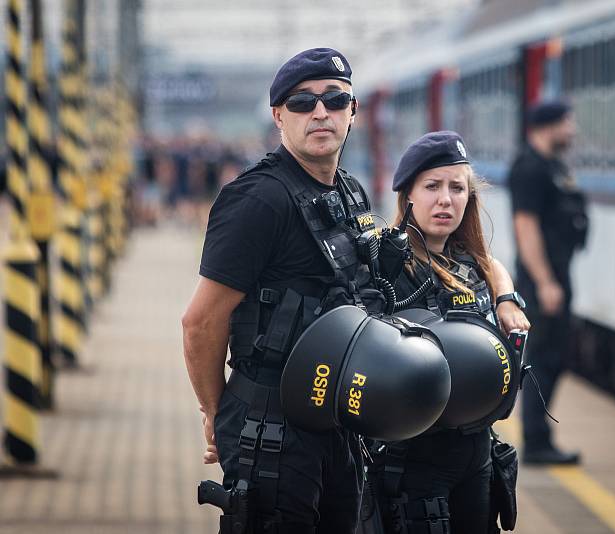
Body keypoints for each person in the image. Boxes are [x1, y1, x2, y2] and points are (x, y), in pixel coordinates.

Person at [182, 48, 381, 533]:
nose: (320, 112)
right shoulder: (256, 199)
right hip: (270, 422)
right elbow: (201, 322)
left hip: (339, 420)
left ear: (352, 112)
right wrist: (215, 410)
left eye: (335, 100)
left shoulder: (350, 192)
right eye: (301, 102)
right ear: (278, 116)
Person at [373, 131, 529, 533]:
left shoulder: (468, 264)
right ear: (408, 195)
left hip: (476, 455)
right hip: (414, 462)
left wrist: (507, 298)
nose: (446, 199)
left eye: (457, 188)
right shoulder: (384, 268)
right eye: (432, 187)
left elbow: (490, 262)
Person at [508, 101, 587, 465]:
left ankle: (541, 437)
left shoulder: (554, 167)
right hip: (543, 279)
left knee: (557, 357)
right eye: (566, 123)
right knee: (543, 358)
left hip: (558, 275)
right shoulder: (529, 169)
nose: (571, 130)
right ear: (548, 126)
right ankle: (536, 442)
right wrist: (544, 282)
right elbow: (525, 228)